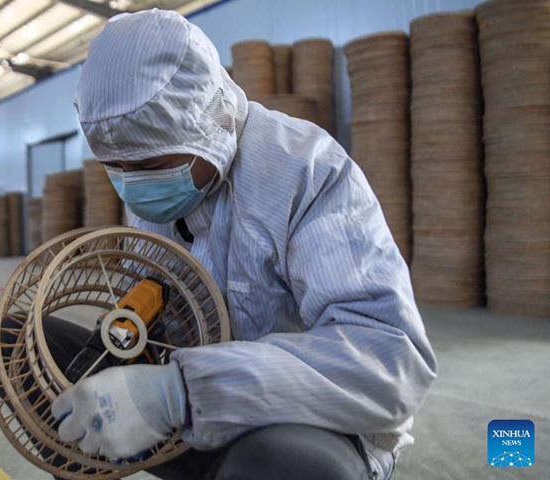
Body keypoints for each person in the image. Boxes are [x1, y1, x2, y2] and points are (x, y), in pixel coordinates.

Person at [51, 9, 437, 480]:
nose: (133, 187)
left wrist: (178, 393)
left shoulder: (306, 170)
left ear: (208, 124)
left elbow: (389, 362)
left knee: (277, 463)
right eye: (116, 167)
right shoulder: (158, 188)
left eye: (150, 167)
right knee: (36, 354)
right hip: (193, 418)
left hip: (308, 423)